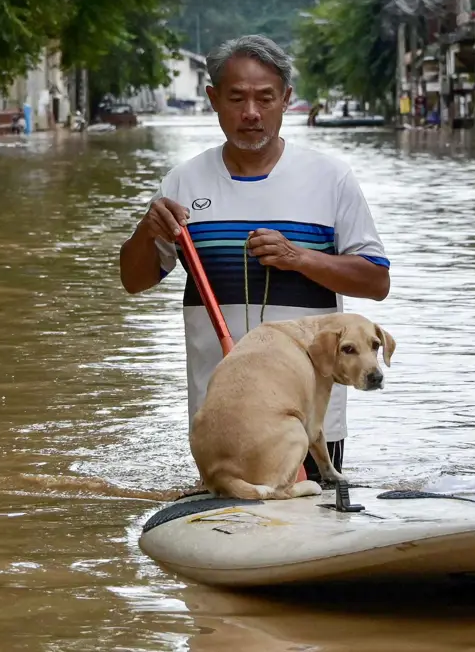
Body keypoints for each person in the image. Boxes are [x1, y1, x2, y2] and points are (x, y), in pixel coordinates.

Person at [118, 35, 390, 483]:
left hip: (304, 417)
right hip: (219, 416)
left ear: (286, 99)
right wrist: (146, 232)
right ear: (213, 99)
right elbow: (134, 281)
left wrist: (299, 258)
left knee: (308, 532)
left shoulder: (331, 178)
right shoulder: (183, 182)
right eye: (236, 98)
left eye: (265, 98)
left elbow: (376, 281)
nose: (251, 113)